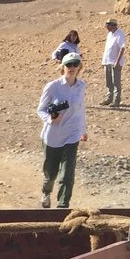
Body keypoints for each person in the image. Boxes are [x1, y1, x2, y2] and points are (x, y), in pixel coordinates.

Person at [37, 51, 89, 208]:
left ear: (79, 67)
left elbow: (80, 110)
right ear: (63, 67)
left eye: (75, 64)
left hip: (72, 135)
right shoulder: (53, 87)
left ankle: (62, 206)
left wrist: (83, 130)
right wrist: (51, 119)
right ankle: (46, 192)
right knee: (51, 173)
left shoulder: (81, 86)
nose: (72, 68)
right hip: (53, 136)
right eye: (68, 65)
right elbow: (40, 110)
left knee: (67, 174)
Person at [101, 18, 126, 107]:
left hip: (115, 62)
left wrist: (118, 62)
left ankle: (116, 100)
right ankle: (109, 98)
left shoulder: (119, 34)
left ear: (113, 25)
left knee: (116, 82)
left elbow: (122, 48)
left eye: (108, 24)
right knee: (109, 82)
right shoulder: (109, 35)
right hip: (107, 61)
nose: (106, 26)